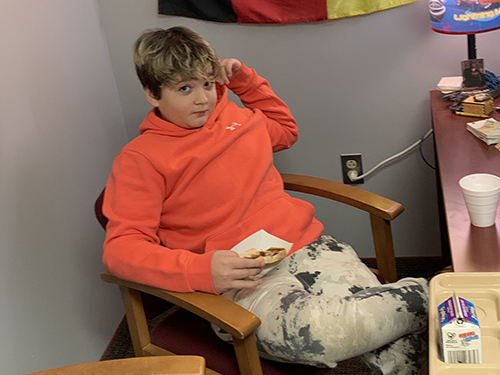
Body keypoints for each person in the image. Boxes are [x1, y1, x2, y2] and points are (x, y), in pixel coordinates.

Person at [102, 26, 429, 374]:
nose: (203, 99)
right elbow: (121, 249)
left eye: (208, 84)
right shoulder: (141, 159)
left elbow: (286, 131)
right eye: (185, 88)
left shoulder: (238, 119)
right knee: (322, 335)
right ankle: (432, 294)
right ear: (152, 94)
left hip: (309, 247)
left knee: (394, 343)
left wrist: (244, 80)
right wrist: (199, 269)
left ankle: (427, 302)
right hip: (243, 277)